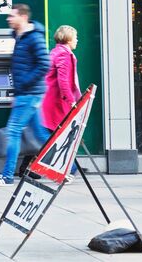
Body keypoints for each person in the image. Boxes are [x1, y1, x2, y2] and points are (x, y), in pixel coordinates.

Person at [0, 4, 51, 187]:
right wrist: (17, 92)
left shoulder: (34, 37)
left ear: (23, 17)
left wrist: (24, 84)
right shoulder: (19, 36)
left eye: (11, 15)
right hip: (26, 93)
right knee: (40, 134)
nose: (8, 19)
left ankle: (7, 176)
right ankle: (69, 168)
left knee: (13, 131)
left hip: (29, 93)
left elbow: (44, 64)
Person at [41, 25, 82, 182]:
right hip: (57, 101)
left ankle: (68, 169)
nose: (77, 40)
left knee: (55, 134)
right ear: (68, 39)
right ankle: (69, 169)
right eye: (75, 37)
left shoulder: (55, 51)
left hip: (51, 100)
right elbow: (63, 81)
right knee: (60, 136)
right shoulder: (65, 54)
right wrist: (72, 101)